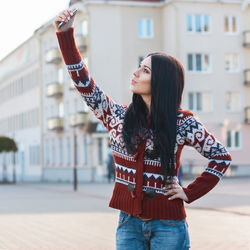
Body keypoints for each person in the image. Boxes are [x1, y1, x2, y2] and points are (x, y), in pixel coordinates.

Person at [54, 9, 232, 250]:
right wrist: (65, 35)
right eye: (139, 66)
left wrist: (189, 193)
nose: (136, 73)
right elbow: (83, 83)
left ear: (162, 82)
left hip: (169, 225)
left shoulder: (183, 123)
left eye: (146, 70)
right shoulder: (116, 116)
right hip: (128, 223)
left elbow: (221, 157)